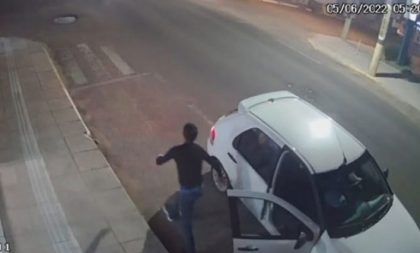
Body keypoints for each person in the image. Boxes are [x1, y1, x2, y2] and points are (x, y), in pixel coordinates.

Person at [156, 123, 222, 253]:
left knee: (186, 225)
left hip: (187, 189)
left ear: (184, 134)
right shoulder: (198, 149)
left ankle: (190, 250)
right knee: (184, 199)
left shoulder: (177, 151)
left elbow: (161, 161)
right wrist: (219, 173)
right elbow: (213, 162)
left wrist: (158, 158)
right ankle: (173, 212)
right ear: (195, 136)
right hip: (198, 188)